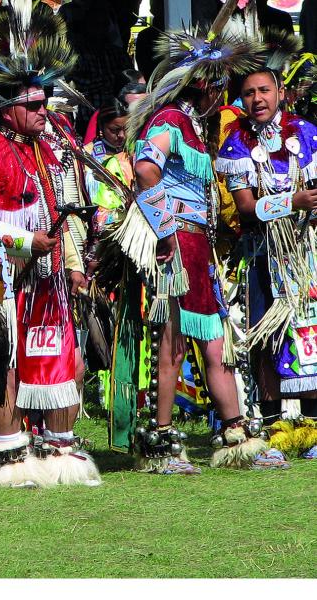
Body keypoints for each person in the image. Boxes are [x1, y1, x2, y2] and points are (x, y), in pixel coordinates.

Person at [114, 5, 285, 473]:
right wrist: (166, 231)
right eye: (218, 85)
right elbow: (146, 172)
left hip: (196, 246)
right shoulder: (169, 119)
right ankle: (162, 440)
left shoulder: (192, 124)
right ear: (203, 85)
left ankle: (236, 434)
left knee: (214, 343)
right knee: (170, 343)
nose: (222, 94)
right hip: (175, 245)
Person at [0, 0, 100, 488]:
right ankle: (9, 457)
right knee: (8, 360)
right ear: (7, 109)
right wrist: (28, 242)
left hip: (50, 277)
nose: (43, 111)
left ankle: (60, 449)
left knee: (61, 353)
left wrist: (70, 254)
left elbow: (67, 205)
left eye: (45, 102)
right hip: (8, 278)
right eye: (32, 105)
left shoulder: (51, 146)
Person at [215, 31, 317, 460]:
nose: (257, 98)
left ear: (280, 92)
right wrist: (292, 201)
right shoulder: (236, 143)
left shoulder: (308, 134)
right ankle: (274, 426)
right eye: (249, 92)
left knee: (309, 333)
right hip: (261, 255)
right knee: (267, 337)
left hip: (305, 252)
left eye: (264, 90)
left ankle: (312, 426)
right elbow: (247, 208)